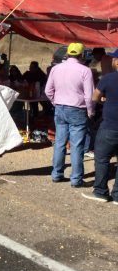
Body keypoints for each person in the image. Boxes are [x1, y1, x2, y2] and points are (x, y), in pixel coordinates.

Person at [46, 42, 95, 186]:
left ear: (68, 54)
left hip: (60, 108)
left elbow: (48, 91)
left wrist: (56, 102)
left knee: (60, 143)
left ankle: (56, 174)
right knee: (77, 145)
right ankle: (76, 179)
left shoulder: (56, 69)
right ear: (81, 55)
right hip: (77, 109)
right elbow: (88, 95)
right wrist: (90, 111)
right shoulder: (85, 70)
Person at [86, 49, 118, 202]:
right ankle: (117, 195)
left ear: (117, 62)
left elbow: (95, 96)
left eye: (113, 59)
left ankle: (101, 191)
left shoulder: (108, 78)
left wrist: (104, 99)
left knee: (102, 158)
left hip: (110, 125)